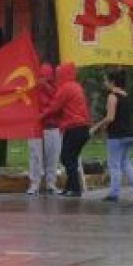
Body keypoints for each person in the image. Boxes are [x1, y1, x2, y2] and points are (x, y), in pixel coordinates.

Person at [90, 68, 133, 202]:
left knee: (114, 165)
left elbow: (110, 117)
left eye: (106, 80)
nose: (104, 83)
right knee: (126, 163)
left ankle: (114, 193)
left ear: (112, 82)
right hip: (129, 134)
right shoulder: (126, 95)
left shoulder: (112, 96)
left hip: (117, 135)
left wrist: (96, 127)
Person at [44, 63, 91, 198]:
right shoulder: (76, 86)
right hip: (82, 128)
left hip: (74, 127)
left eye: (58, 74)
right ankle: (70, 186)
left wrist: (39, 117)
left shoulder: (65, 88)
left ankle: (75, 189)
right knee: (71, 158)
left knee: (67, 157)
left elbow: (54, 107)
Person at [26, 63, 62, 196]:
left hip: (52, 126)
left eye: (46, 77)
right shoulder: (32, 88)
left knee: (52, 157)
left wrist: (45, 86)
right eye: (42, 77)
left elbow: (57, 102)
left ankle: (50, 183)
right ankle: (35, 184)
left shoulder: (57, 88)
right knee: (35, 157)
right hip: (36, 127)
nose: (44, 80)